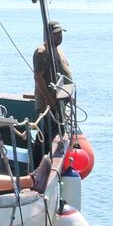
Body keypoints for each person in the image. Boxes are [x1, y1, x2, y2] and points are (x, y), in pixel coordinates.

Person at [31, 20, 72, 151]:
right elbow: (38, 77)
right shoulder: (42, 52)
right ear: (48, 34)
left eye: (60, 33)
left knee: (54, 133)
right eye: (56, 34)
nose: (59, 36)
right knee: (46, 136)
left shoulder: (57, 50)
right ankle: (38, 163)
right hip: (49, 104)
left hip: (60, 101)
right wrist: (49, 100)